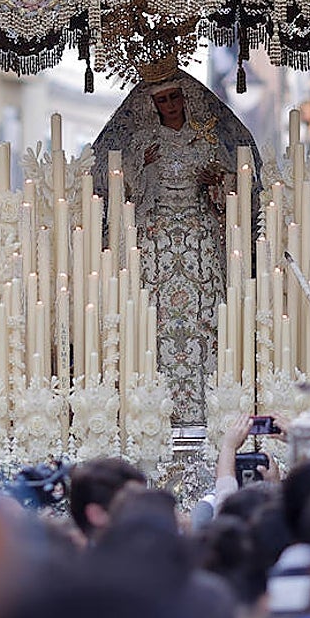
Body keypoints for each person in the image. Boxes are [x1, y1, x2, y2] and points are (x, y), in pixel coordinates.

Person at [93, 57, 260, 425]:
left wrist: (217, 183)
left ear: (185, 98)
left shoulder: (206, 139)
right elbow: (121, 189)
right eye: (162, 100)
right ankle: (153, 409)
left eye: (174, 97)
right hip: (155, 243)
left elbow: (230, 188)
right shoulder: (143, 142)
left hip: (199, 243)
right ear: (152, 105)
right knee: (153, 319)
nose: (169, 105)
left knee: (206, 318)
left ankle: (207, 406)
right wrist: (140, 167)